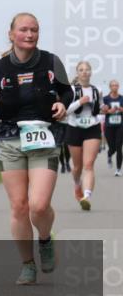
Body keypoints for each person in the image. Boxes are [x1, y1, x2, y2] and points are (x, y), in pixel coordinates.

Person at [0, 12, 72, 285]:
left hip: (44, 139)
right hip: (9, 140)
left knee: (38, 206)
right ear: (11, 34)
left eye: (34, 30)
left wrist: (63, 104)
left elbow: (67, 91)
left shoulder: (51, 62)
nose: (30, 35)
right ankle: (27, 265)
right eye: (24, 30)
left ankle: (46, 240)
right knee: (19, 206)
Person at [65, 61, 103, 210]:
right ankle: (77, 185)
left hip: (92, 128)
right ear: (77, 73)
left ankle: (86, 196)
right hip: (74, 128)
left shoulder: (97, 90)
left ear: (91, 72)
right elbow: (65, 111)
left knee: (88, 165)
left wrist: (102, 110)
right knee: (77, 167)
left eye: (87, 69)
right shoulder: (71, 90)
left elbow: (99, 108)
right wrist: (80, 102)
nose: (85, 72)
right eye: (81, 70)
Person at [102, 80, 123, 176]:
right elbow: (102, 111)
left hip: (120, 126)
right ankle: (109, 154)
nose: (115, 87)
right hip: (109, 126)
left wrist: (121, 109)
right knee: (112, 147)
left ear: (118, 87)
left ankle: (118, 169)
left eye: (116, 85)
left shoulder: (122, 98)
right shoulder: (105, 99)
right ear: (110, 87)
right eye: (113, 85)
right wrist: (109, 111)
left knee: (119, 146)